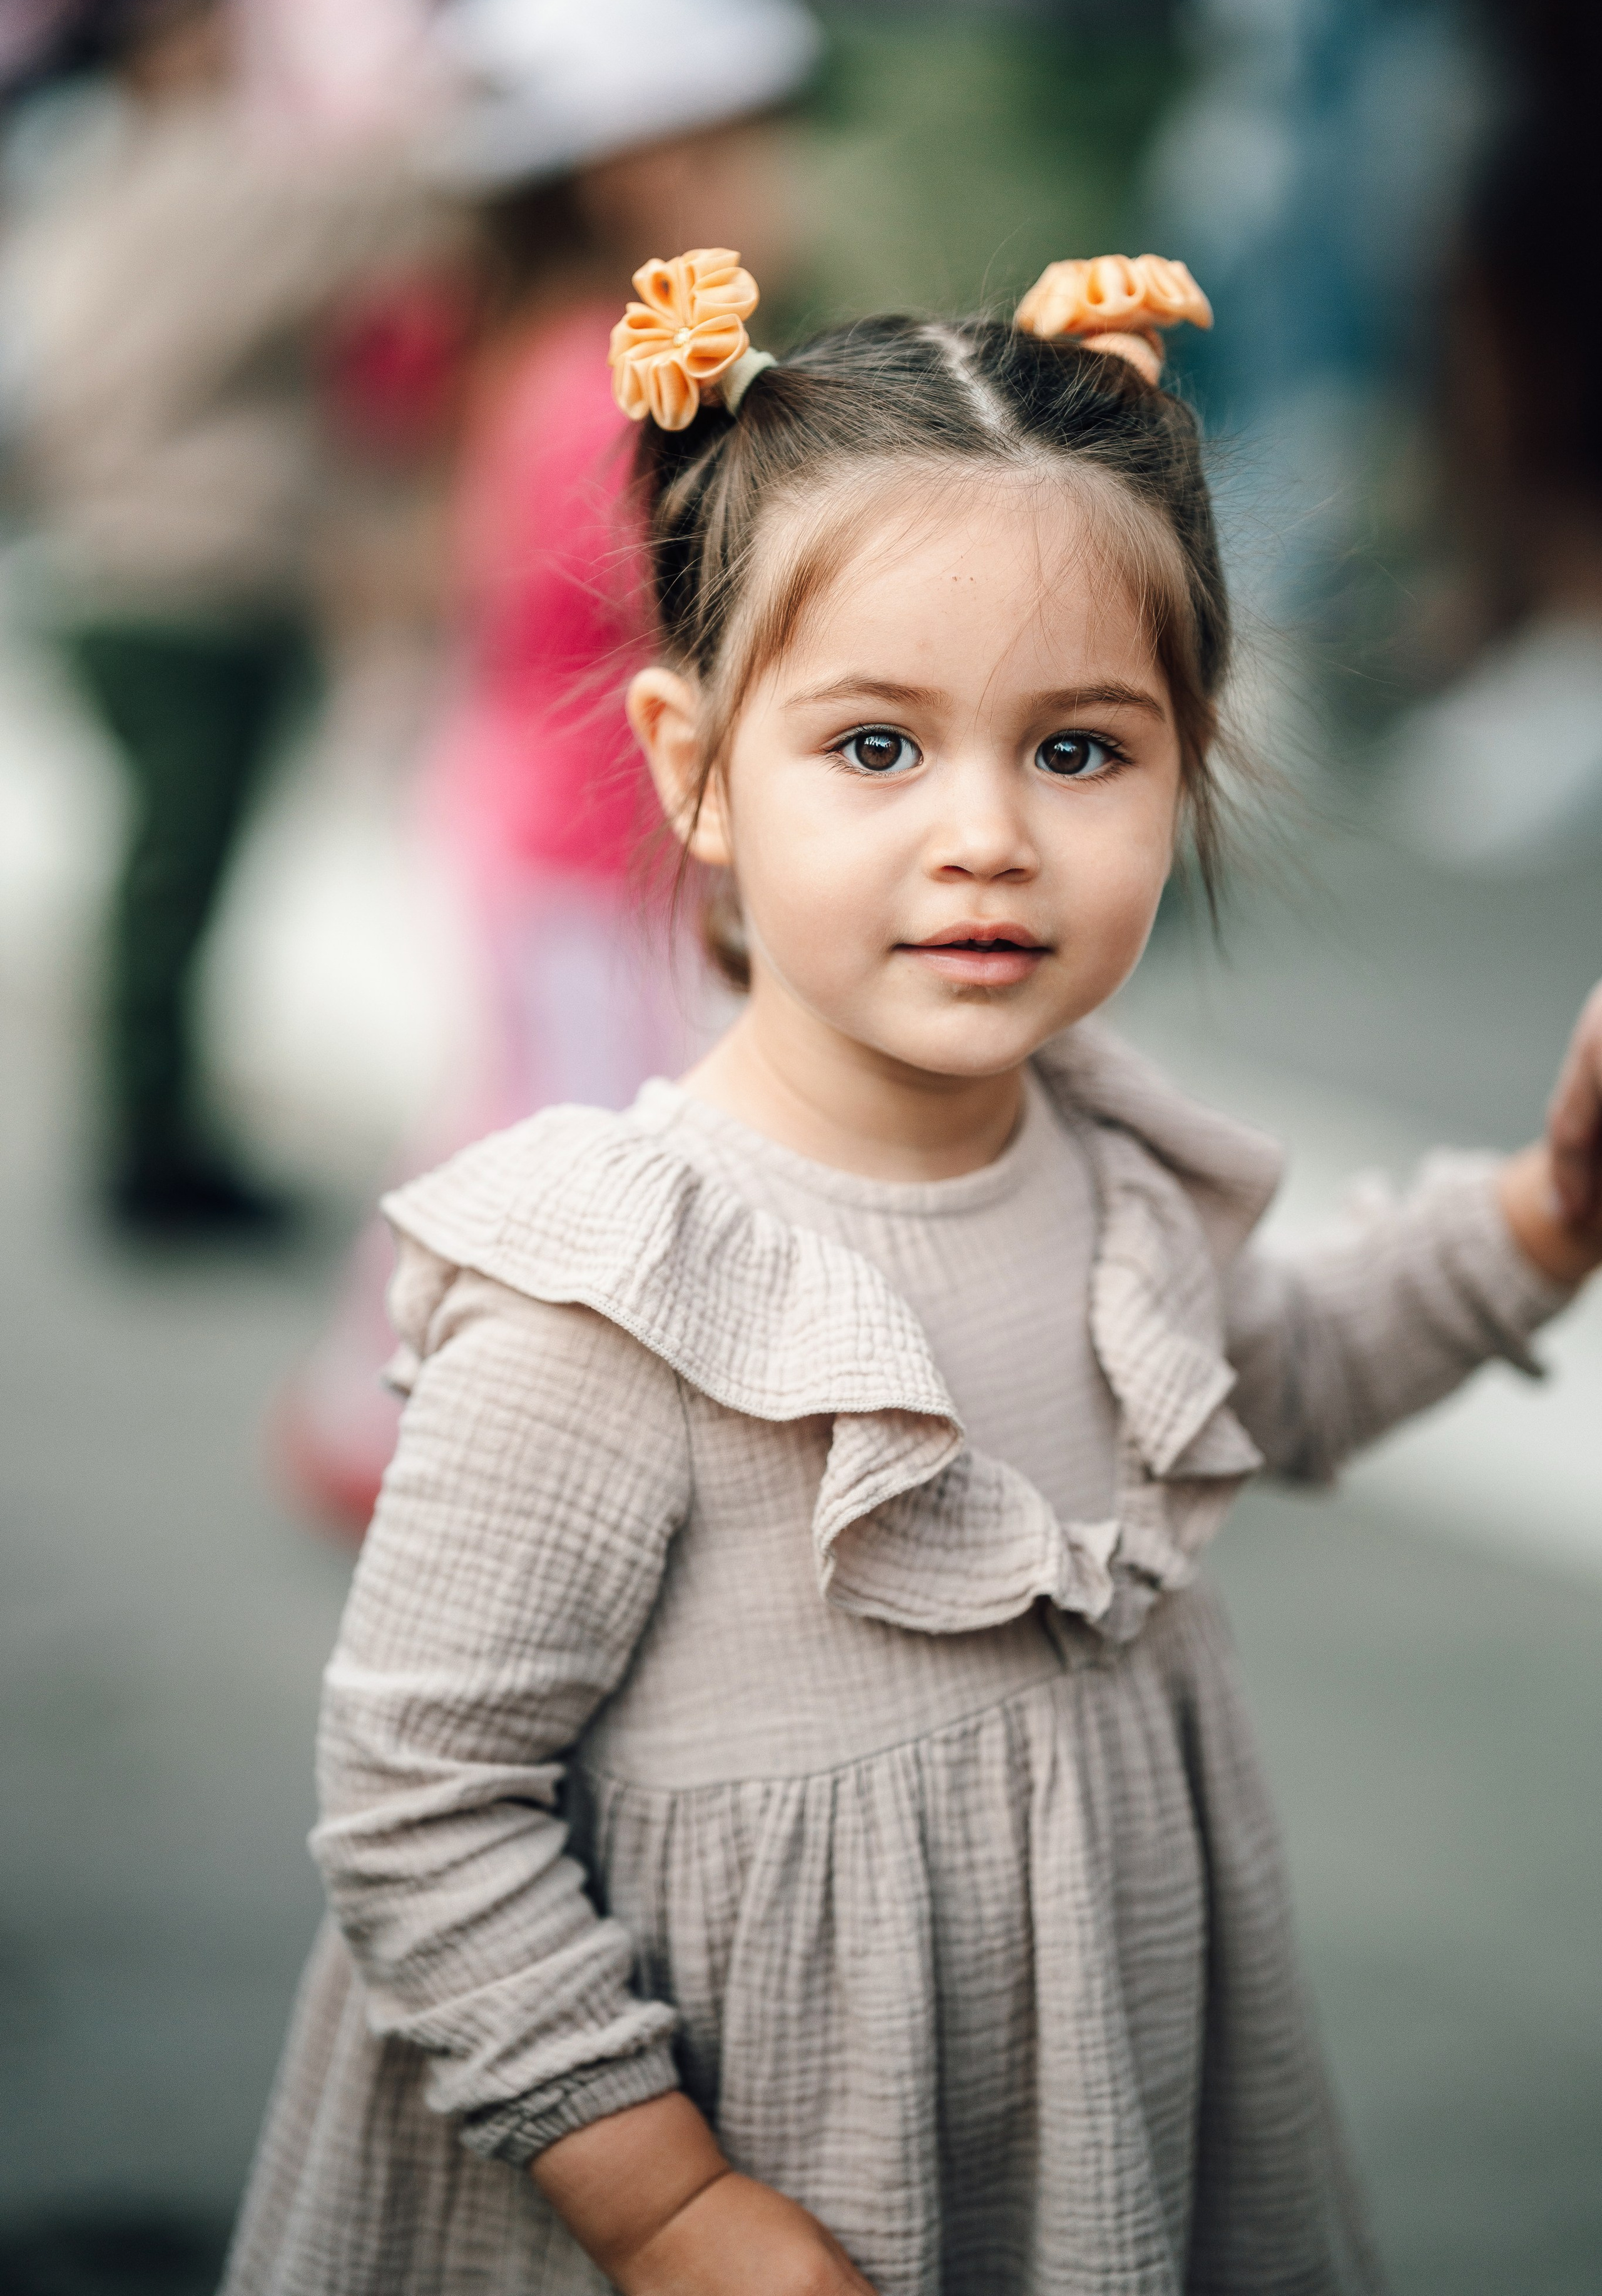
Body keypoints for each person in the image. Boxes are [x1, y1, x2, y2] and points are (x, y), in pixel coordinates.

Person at [223, 246, 1602, 2295]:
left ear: (1189, 757)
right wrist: (667, 2200)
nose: (988, 838)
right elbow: (424, 1801)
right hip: (705, 2166)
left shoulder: (1108, 1159)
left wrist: (1549, 1212)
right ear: (695, 766)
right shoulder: (618, 1296)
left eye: (1079, 751)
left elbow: (1287, 1370)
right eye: (877, 748)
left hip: (1071, 2119)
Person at [275, 0, 819, 1529]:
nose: (776, 188)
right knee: (594, 1162)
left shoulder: (558, 351)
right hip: (576, 855)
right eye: (744, 147)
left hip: (555, 835)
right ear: (641, 167)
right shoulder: (605, 384)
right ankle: (493, 1461)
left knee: (519, 1125)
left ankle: (364, 1423)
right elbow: (689, 603)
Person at [0, 0, 433, 1232]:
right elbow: (388, 209)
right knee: (175, 883)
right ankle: (151, 1149)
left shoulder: (86, 174)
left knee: (169, 880)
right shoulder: (205, 179)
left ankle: (157, 1132)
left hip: (123, 578)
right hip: (187, 585)